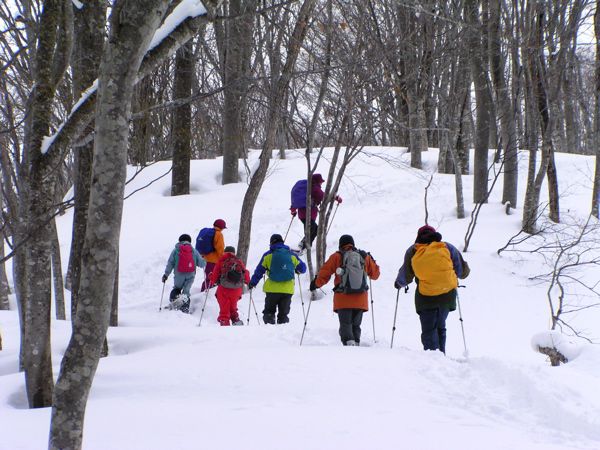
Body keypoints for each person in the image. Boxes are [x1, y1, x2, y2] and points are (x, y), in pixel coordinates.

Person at [394, 225, 470, 354]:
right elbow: (462, 272)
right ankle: (441, 357)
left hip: (425, 297)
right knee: (441, 326)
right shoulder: (447, 247)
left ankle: (433, 357)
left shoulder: (413, 250)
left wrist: (399, 283)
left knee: (429, 329)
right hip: (447, 295)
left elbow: (406, 275)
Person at [310, 234, 380, 346]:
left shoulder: (336, 256)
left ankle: (348, 347)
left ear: (340, 245)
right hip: (360, 299)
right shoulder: (363, 256)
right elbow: (375, 275)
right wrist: (372, 261)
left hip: (343, 298)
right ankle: (355, 344)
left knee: (345, 325)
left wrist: (315, 284)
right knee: (356, 326)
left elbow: (325, 273)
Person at [248, 234, 306, 324]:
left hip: (272, 290)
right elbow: (303, 269)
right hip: (287, 290)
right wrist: (296, 270)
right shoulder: (292, 255)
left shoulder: (268, 255)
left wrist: (252, 283)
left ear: (271, 243)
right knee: (283, 315)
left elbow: (259, 271)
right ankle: (282, 332)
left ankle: (269, 332)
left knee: (269, 313)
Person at [290, 173, 342, 252]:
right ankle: (303, 247)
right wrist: (336, 198)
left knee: (314, 230)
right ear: (317, 181)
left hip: (303, 214)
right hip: (309, 215)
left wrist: (293, 211)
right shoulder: (315, 188)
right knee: (311, 230)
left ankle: (303, 244)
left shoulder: (307, 187)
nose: (321, 183)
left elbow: (297, 201)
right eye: (321, 181)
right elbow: (325, 196)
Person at [162, 234, 206, 313]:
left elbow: (170, 263)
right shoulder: (193, 250)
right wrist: (203, 260)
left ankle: (174, 302)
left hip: (179, 275)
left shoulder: (176, 250)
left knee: (177, 288)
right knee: (186, 292)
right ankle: (185, 309)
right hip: (190, 275)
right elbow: (202, 264)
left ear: (180, 241)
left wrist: (166, 274)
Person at [209, 246, 250, 326]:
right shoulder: (238, 261)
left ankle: (225, 328)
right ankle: (236, 321)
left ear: (224, 252)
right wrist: (249, 282)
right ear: (234, 253)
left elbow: (214, 279)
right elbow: (246, 274)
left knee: (224, 311)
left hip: (224, 290)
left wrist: (210, 276)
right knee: (233, 308)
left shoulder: (221, 261)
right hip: (237, 290)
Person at [197, 218, 226, 291]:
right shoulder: (218, 234)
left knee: (209, 276)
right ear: (222, 227)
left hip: (206, 258)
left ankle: (205, 291)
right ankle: (204, 293)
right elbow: (220, 249)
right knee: (211, 277)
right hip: (214, 260)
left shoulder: (207, 232)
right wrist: (223, 259)